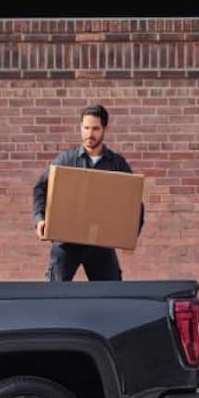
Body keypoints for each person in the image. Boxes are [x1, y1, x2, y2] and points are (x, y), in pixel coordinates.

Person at [31, 104, 142, 282]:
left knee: (112, 294)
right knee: (54, 294)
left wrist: (130, 235)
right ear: (80, 127)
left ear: (104, 129)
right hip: (66, 241)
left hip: (101, 242)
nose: (90, 134)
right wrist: (39, 219)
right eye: (86, 128)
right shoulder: (66, 160)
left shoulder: (116, 164)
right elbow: (40, 189)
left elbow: (133, 200)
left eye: (95, 129)